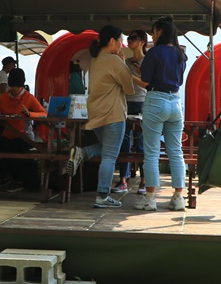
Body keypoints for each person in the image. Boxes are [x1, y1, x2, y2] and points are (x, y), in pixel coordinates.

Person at [65, 26, 136, 208]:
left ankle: (82, 152)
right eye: (120, 41)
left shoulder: (96, 60)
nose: (122, 45)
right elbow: (129, 87)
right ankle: (102, 195)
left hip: (95, 113)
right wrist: (124, 62)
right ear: (112, 41)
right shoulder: (114, 60)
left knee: (107, 149)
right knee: (110, 156)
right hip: (113, 114)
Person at [137, 17, 187, 212]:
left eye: (154, 32)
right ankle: (178, 198)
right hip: (175, 102)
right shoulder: (180, 54)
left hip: (156, 101)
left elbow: (145, 81)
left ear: (160, 32)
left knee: (151, 152)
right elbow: (179, 80)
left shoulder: (153, 53)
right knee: (176, 152)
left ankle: (150, 199)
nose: (152, 35)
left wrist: (133, 76)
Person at [0, 68, 46, 190]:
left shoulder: (29, 98)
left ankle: (16, 180)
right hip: (7, 135)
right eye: (12, 86)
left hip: (24, 136)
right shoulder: (4, 97)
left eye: (17, 86)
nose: (14, 89)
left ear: (22, 85)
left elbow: (44, 113)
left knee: (10, 149)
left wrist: (29, 114)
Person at [114, 29, 148, 193]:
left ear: (142, 41)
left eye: (132, 38)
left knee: (141, 143)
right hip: (126, 101)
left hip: (142, 102)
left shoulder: (148, 61)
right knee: (124, 142)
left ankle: (144, 180)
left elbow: (145, 83)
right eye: (128, 38)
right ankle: (123, 179)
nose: (129, 41)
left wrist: (128, 71)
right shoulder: (126, 62)